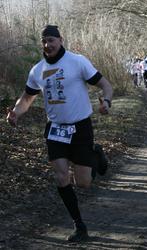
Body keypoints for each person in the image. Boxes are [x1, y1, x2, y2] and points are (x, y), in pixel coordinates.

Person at [6, 25, 113, 242]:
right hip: (55, 129)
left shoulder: (77, 61)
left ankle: (96, 154)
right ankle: (79, 225)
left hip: (80, 127)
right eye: (44, 41)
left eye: (51, 40)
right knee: (61, 176)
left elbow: (105, 85)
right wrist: (16, 113)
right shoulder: (37, 70)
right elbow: (27, 98)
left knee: (83, 183)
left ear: (60, 40)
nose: (48, 45)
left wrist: (107, 101)